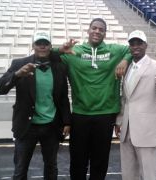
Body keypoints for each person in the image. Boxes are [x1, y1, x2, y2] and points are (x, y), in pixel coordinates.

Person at [53, 18, 132, 180]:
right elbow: (46, 55)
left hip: (106, 113)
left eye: (101, 29)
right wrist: (60, 50)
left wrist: (125, 60)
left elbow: (133, 49)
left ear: (105, 33)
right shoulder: (73, 51)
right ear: (88, 30)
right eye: (94, 28)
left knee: (100, 160)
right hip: (81, 113)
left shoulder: (114, 50)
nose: (97, 31)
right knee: (77, 159)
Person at [0, 31, 71, 180]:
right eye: (39, 43)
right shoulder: (19, 64)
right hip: (26, 126)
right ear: (33, 45)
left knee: (51, 167)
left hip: (51, 125)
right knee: (20, 170)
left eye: (45, 43)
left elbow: (63, 97)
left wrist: (67, 121)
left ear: (50, 46)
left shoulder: (60, 66)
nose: (42, 46)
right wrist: (16, 75)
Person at [115, 30, 156, 180]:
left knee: (148, 175)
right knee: (129, 175)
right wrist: (119, 121)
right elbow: (126, 99)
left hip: (146, 131)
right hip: (126, 130)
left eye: (139, 43)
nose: (135, 46)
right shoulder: (127, 66)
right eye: (132, 43)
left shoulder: (155, 66)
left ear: (146, 45)